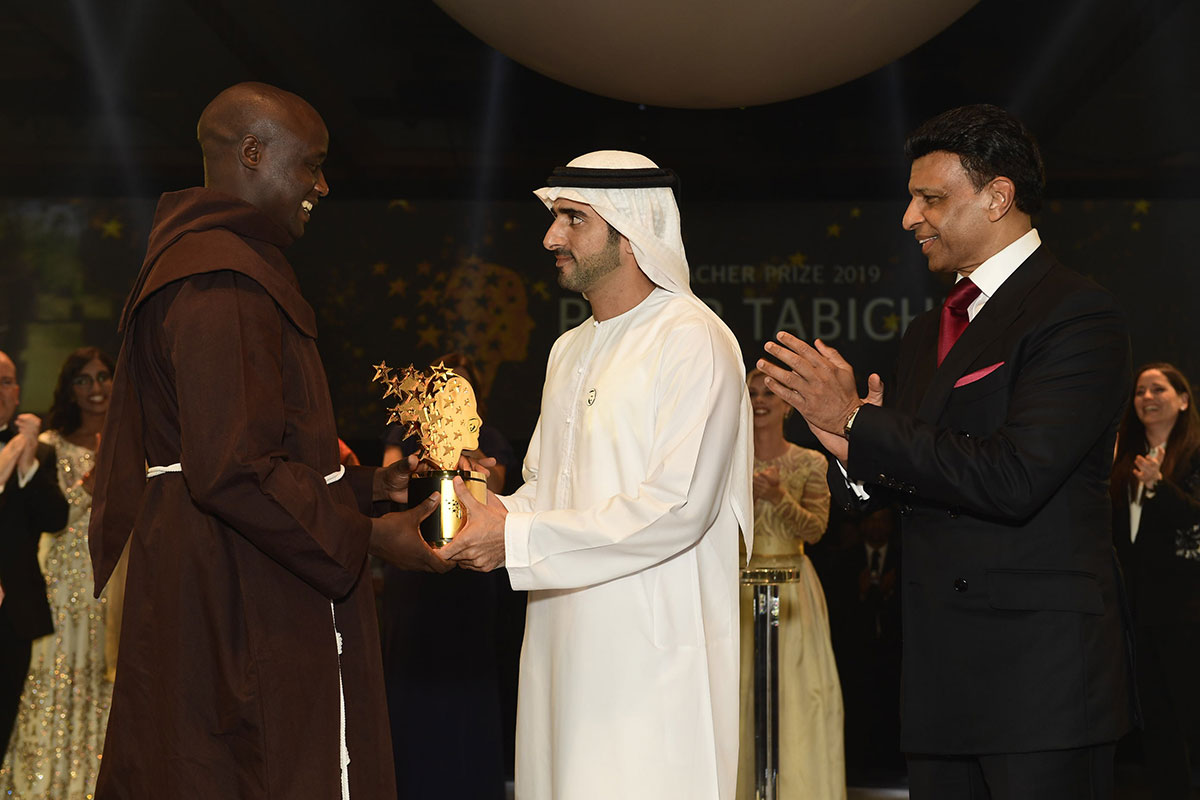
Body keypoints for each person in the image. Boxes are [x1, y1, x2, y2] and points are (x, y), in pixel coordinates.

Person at [757, 104, 1135, 798]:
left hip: (1039, 684)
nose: (909, 218)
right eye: (910, 198)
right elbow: (907, 481)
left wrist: (862, 423)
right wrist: (850, 451)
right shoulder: (927, 329)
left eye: (930, 199)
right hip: (938, 684)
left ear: (998, 198)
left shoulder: (1078, 312)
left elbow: (1017, 477)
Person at [86, 81, 448, 799]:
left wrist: (371, 489)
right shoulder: (223, 277)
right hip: (233, 585)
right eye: (309, 164)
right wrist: (373, 537)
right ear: (252, 152)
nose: (322, 184)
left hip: (213, 560)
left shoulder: (214, 263)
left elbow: (240, 447)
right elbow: (235, 469)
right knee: (243, 764)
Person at [440, 150, 753, 799]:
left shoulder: (693, 338)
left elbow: (679, 508)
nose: (551, 237)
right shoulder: (568, 347)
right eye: (556, 218)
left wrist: (517, 539)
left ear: (631, 231)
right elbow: (547, 492)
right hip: (562, 650)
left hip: (652, 658)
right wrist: (490, 512)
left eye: (572, 219)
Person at [0, 347, 118, 798]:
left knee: (102, 684)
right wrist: (90, 486)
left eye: (104, 377)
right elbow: (49, 516)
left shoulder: (132, 447)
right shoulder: (48, 445)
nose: (96, 389)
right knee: (52, 682)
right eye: (84, 380)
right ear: (69, 389)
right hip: (62, 581)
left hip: (114, 582)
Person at [736, 368, 844, 799]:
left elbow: (817, 529)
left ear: (786, 404)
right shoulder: (725, 466)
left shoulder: (810, 462)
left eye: (769, 393)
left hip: (793, 589)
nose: (760, 401)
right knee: (740, 697)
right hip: (739, 591)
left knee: (798, 700)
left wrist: (778, 496)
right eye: (752, 393)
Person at [1111, 363, 1200, 799]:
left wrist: (1159, 486)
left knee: (1191, 718)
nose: (1146, 396)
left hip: (1188, 612)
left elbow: (1194, 516)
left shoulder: (1196, 456)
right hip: (1138, 613)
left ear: (1183, 400)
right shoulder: (1123, 463)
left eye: (1158, 389)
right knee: (1156, 726)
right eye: (1140, 390)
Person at [0, 351, 70, 762]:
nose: (0, 391)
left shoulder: (37, 453)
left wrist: (25, 465)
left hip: (14, 613)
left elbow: (55, 517)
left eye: (6, 381)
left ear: (17, 390)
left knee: (5, 716)